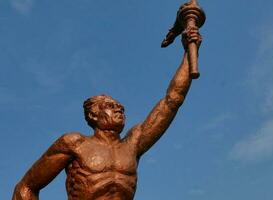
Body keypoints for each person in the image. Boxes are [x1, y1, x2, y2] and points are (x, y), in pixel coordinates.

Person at [12, 27, 202, 200]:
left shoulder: (133, 143)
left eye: (121, 107)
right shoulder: (74, 143)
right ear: (93, 115)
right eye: (111, 106)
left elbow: (172, 100)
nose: (119, 109)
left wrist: (188, 53)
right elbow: (26, 187)